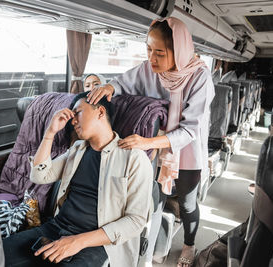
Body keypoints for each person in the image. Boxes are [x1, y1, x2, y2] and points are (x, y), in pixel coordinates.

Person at [88, 17, 215, 267]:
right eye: (148, 49)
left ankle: (189, 244)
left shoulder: (200, 78)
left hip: (186, 149)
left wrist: (147, 142)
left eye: (159, 52)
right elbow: (124, 81)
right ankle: (148, 252)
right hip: (154, 147)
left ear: (178, 52)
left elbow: (190, 129)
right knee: (155, 199)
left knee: (187, 203)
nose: (151, 58)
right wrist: (109, 88)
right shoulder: (148, 69)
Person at [3, 91, 153, 267]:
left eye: (78, 112)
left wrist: (78, 241)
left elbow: (135, 220)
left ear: (100, 112)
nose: (73, 121)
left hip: (98, 244)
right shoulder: (77, 150)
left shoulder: (134, 158)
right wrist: (50, 133)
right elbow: (39, 175)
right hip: (55, 229)